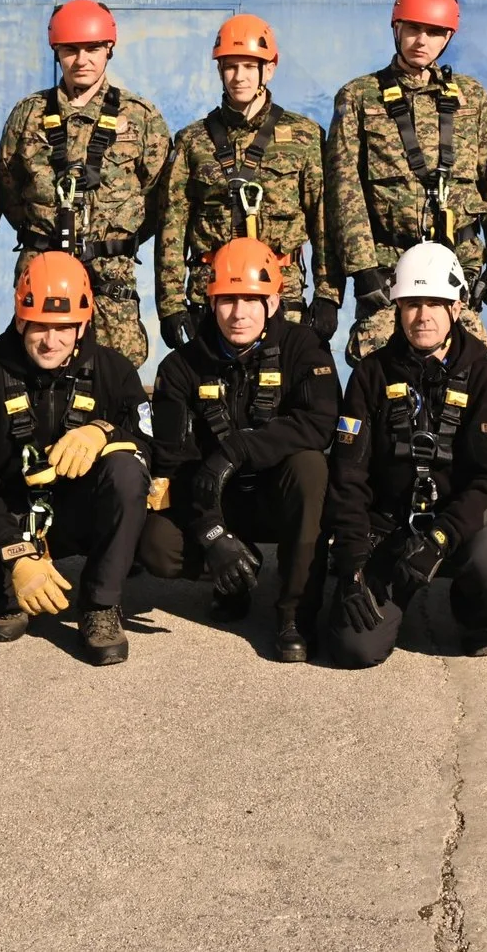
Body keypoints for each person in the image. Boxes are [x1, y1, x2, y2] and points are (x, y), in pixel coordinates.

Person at [0, 251, 151, 666]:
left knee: (127, 469)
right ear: (20, 321)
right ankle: (10, 594)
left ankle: (100, 604)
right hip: (12, 516)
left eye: (63, 327)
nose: (51, 340)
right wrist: (15, 554)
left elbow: (153, 448)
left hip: (79, 513)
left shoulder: (115, 372)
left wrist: (104, 433)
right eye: (39, 326)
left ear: (83, 324)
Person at [319, 242, 487, 667]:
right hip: (390, 529)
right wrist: (352, 562)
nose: (422, 316)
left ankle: (474, 615)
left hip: (459, 529)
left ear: (457, 307)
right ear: (397, 307)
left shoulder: (485, 379)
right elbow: (348, 476)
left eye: (434, 303)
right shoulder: (371, 375)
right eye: (412, 303)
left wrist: (442, 536)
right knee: (354, 648)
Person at [142, 237, 341, 661]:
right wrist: (212, 534)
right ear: (211, 303)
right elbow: (172, 462)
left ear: (273, 302)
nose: (239, 313)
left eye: (251, 299)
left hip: (278, 496)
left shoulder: (304, 349)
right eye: (228, 300)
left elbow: (319, 424)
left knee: (310, 468)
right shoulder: (179, 367)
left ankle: (295, 612)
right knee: (157, 544)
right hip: (214, 497)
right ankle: (232, 573)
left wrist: (235, 450)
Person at [327, 0, 487, 364]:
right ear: (396, 28)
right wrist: (362, 269)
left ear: (447, 38)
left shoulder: (471, 97)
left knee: (468, 361)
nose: (421, 40)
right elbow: (344, 189)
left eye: (434, 32)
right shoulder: (359, 96)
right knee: (374, 361)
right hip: (388, 262)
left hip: (457, 261)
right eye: (413, 28)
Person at [0, 0, 171, 367]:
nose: (81, 60)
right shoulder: (28, 115)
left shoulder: (141, 117)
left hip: (110, 276)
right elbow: (8, 189)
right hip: (42, 269)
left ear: (109, 49)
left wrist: (112, 239)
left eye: (92, 48)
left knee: (116, 368)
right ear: (57, 52)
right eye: (70, 50)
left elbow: (156, 197)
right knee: (35, 363)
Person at [157, 13, 335, 352]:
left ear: (269, 69)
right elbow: (172, 227)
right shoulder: (192, 141)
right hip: (212, 297)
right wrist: (170, 305)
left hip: (281, 295)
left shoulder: (305, 137)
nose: (239, 77)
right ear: (220, 70)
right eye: (230, 67)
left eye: (250, 66)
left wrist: (327, 296)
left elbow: (322, 219)